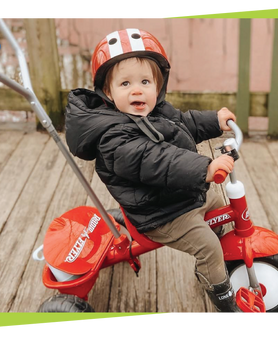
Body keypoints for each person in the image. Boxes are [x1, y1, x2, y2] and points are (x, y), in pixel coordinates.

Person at [65, 28, 241, 314]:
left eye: (145, 81)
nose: (137, 90)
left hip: (179, 196)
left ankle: (217, 267)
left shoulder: (155, 111)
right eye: (125, 84)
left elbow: (184, 124)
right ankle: (224, 299)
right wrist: (204, 167)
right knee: (208, 245)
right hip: (160, 213)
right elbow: (157, 160)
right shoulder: (114, 138)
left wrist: (213, 121)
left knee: (219, 207)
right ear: (108, 92)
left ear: (158, 87)